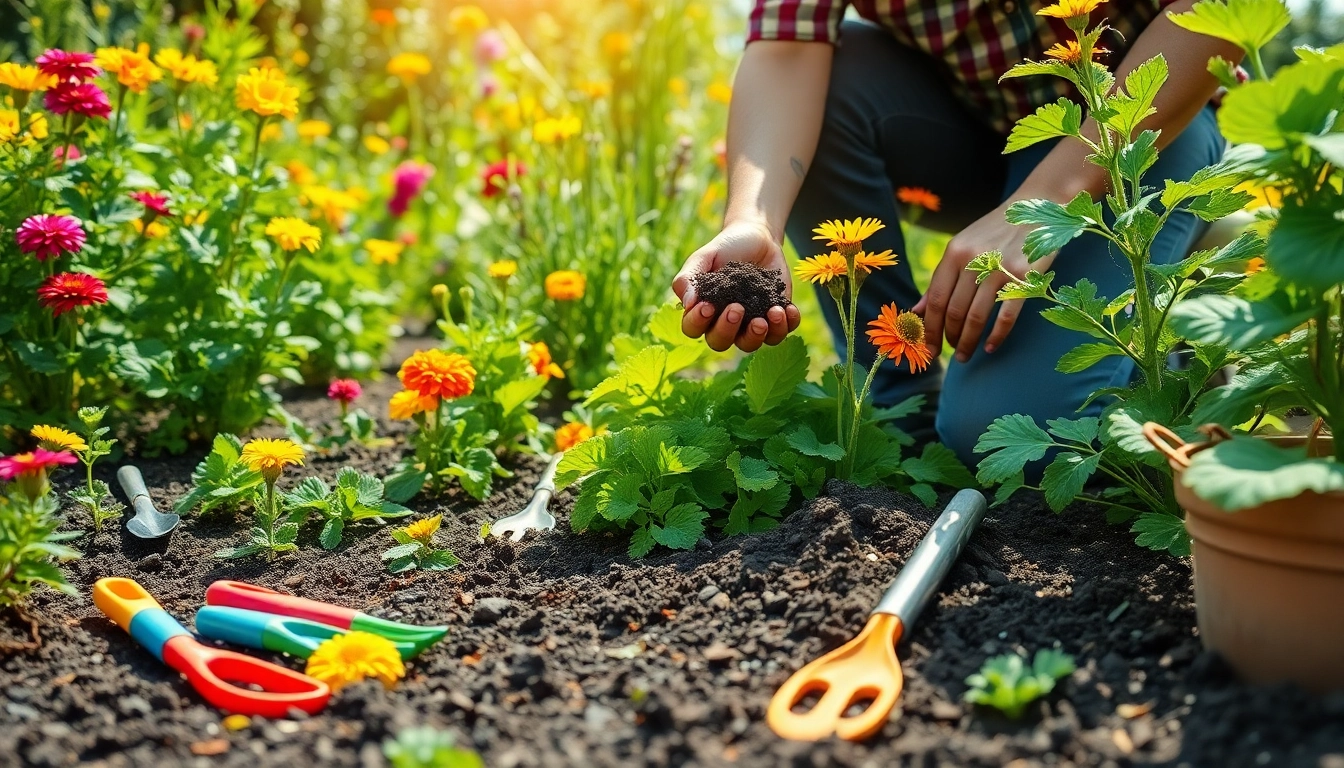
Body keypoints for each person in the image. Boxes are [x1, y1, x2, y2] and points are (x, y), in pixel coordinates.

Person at [671, 0, 1241, 464]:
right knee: (836, 74)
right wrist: (753, 220)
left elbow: (1218, 12)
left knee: (1005, 436)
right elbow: (788, 47)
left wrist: (1048, 200)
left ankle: (1184, 272)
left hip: (1143, 125)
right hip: (970, 136)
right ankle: (900, 412)